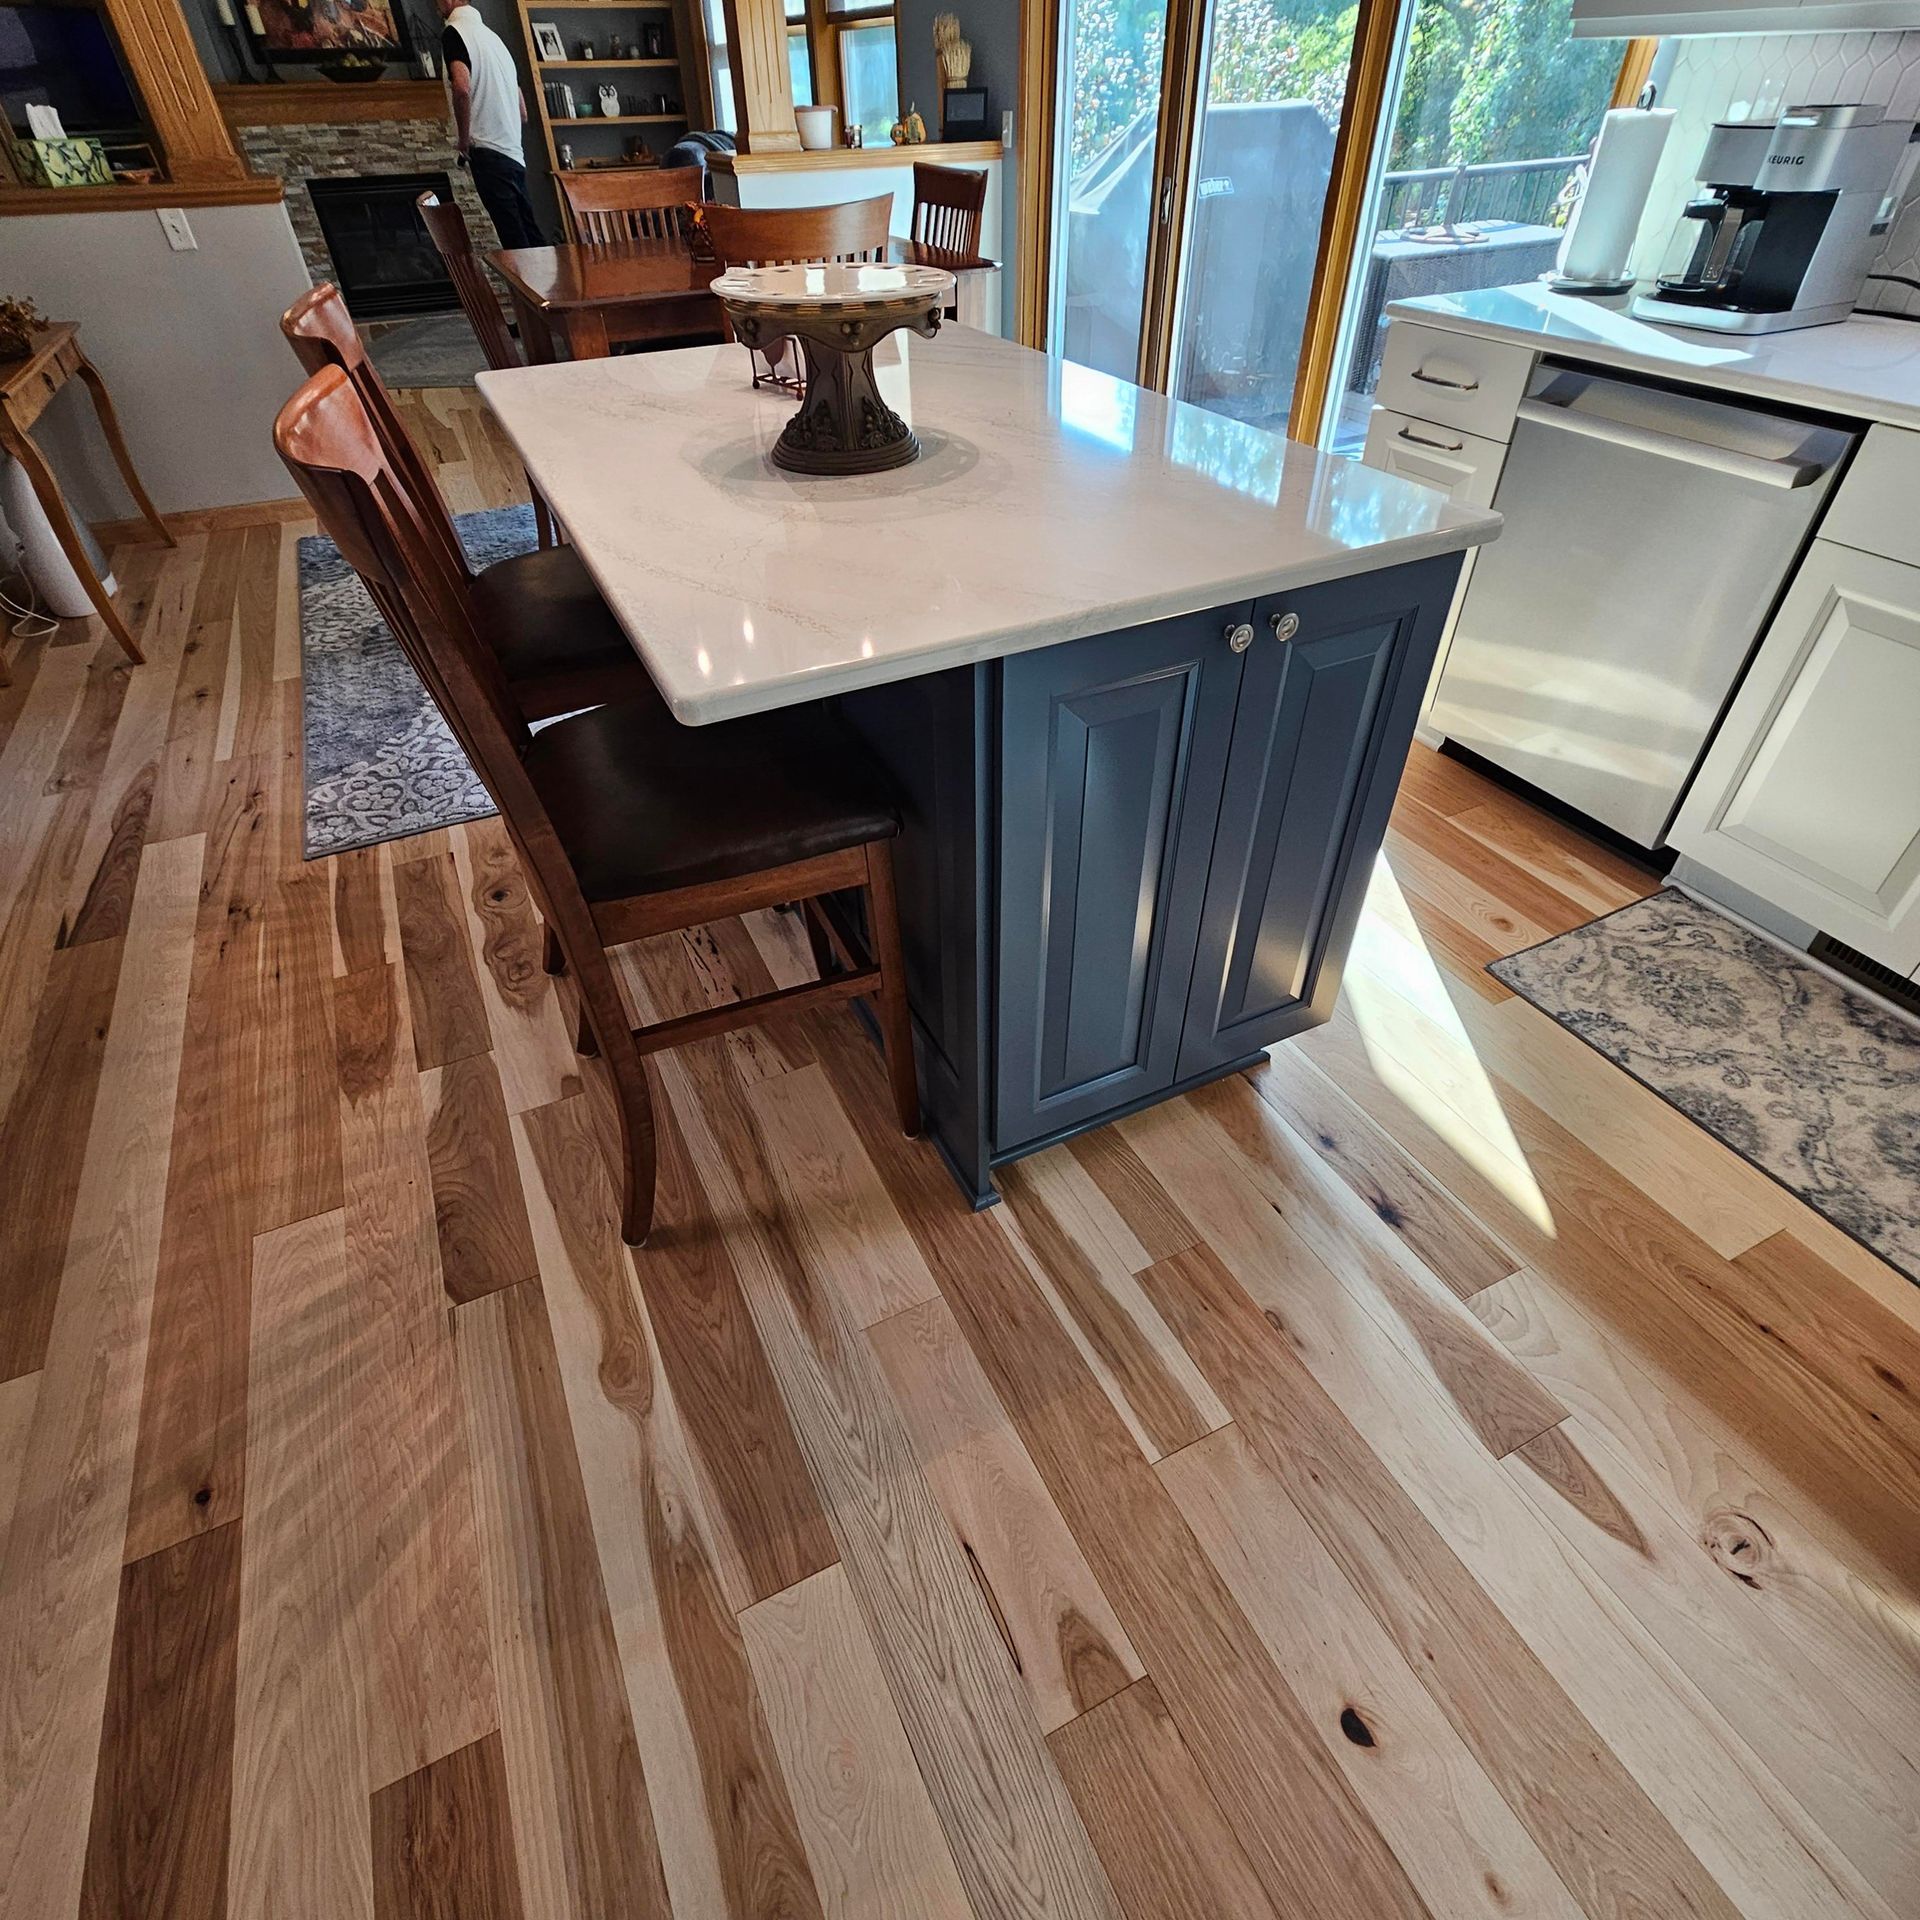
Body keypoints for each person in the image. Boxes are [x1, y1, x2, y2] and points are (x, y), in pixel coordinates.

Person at [437, 0, 545, 249]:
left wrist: (463, 140)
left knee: (515, 244)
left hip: (487, 151)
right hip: (513, 154)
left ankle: (525, 289)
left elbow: (461, 88)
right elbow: (522, 112)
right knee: (532, 239)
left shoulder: (454, 33)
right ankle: (551, 288)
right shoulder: (495, 40)